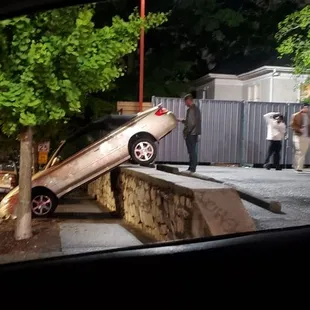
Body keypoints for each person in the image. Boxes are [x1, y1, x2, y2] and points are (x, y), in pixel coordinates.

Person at [177, 94, 201, 173]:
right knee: (193, 150)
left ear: (188, 101)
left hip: (191, 133)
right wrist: (182, 120)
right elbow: (191, 121)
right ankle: (192, 167)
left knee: (191, 151)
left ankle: (192, 168)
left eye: (185, 102)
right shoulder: (196, 109)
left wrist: (186, 133)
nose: (185, 104)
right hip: (195, 133)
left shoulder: (191, 110)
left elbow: (191, 123)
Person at [291, 103, 310, 172]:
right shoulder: (296, 115)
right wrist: (299, 129)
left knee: (303, 152)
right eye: (305, 107)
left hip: (307, 136)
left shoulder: (308, 116)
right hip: (298, 135)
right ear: (301, 108)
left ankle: (299, 166)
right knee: (299, 150)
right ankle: (298, 166)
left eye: (307, 108)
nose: (306, 109)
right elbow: (293, 125)